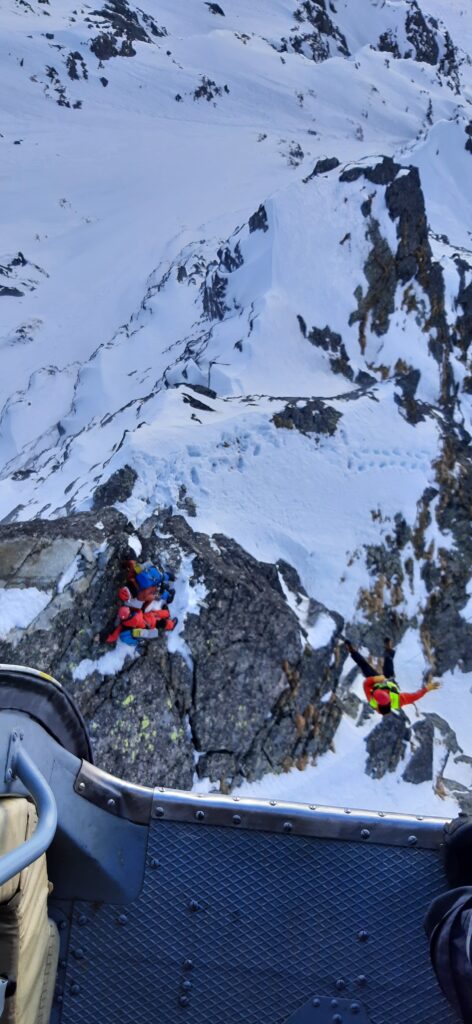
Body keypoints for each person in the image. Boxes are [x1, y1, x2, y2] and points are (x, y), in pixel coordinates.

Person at [343, 636, 439, 715]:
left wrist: (376, 678)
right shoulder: (397, 700)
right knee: (388, 664)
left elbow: (366, 684)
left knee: (365, 666)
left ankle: (352, 651)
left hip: (375, 682)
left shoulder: (372, 698)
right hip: (388, 682)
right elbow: (414, 696)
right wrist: (427, 689)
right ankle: (388, 650)